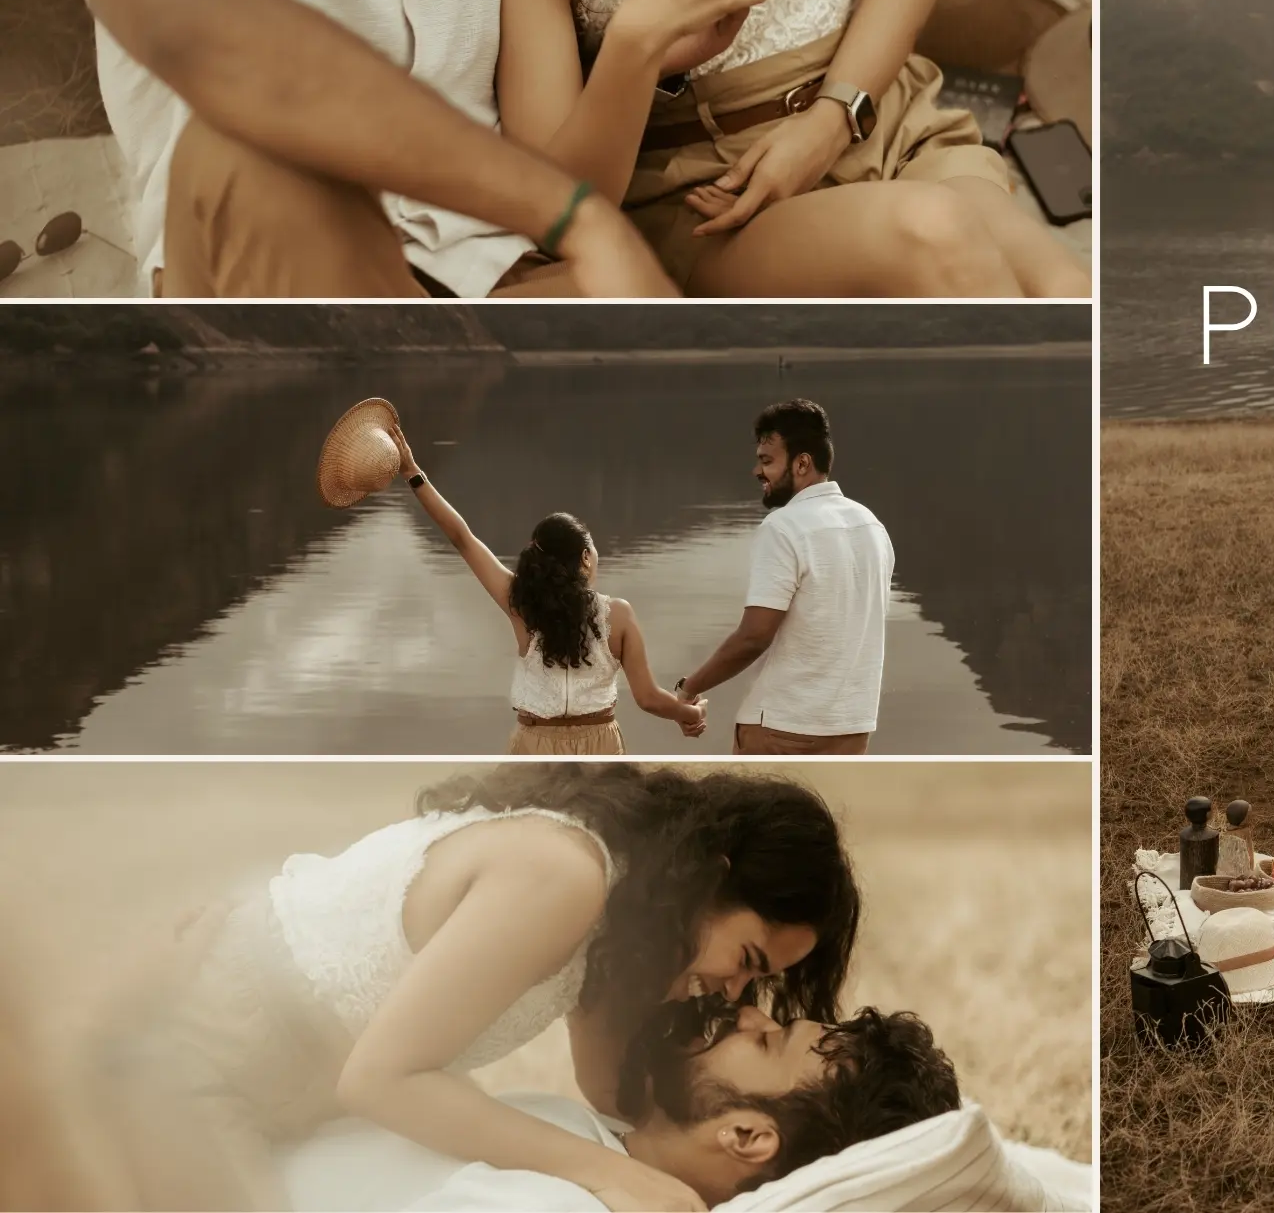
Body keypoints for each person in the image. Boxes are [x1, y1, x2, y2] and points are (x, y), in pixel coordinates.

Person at [80, 764, 861, 1211]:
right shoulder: (568, 875)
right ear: (712, 876)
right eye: (749, 958)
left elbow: (609, 1088)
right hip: (212, 1054)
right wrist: (610, 1174)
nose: (735, 992)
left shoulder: (629, 923)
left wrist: (798, 1153)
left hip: (294, 1089)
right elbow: (381, 1080)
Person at [60, 0, 775, 297]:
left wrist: (647, 48)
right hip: (272, 275)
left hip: (498, 289)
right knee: (253, 151)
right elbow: (180, 18)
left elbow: (555, 141)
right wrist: (569, 212)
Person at [463, 0, 1092, 297]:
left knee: (1063, 286)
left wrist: (830, 121)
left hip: (881, 118)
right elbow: (557, 205)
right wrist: (640, 39)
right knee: (934, 230)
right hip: (722, 197)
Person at [283, 999, 960, 1211]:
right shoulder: (595, 1145)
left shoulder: (569, 1207)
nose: (749, 1012)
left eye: (769, 1040)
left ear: (748, 1135)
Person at [391, 424, 703, 753]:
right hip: (598, 742)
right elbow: (649, 698)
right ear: (585, 557)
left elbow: (463, 539)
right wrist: (689, 712)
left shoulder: (522, 604)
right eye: (594, 549)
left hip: (535, 742)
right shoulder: (619, 615)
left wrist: (414, 474)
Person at [678, 400, 893, 755]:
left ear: (802, 462)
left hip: (781, 728)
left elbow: (754, 636)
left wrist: (689, 688)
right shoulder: (871, 525)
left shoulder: (784, 527)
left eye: (767, 461)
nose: (757, 472)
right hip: (853, 728)